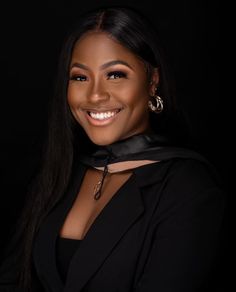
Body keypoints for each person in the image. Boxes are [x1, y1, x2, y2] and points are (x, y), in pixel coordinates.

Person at [0, 6, 225, 292]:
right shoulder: (59, 174)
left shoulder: (191, 190)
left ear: (152, 81)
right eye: (80, 77)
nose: (95, 94)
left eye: (116, 75)